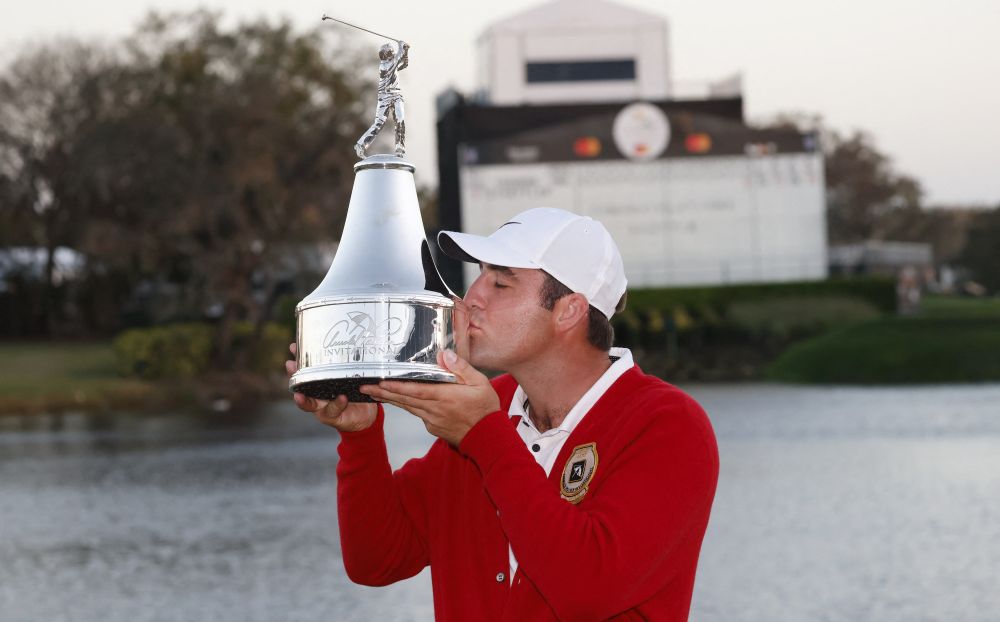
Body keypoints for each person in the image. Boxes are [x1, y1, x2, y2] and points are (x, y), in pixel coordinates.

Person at [287, 207, 719, 621]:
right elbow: (378, 560)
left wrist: (483, 435)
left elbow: (587, 589)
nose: (471, 298)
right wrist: (361, 436)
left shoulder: (668, 425)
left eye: (501, 283)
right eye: (480, 276)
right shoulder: (489, 407)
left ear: (569, 311)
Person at [355, 39, 409, 159]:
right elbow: (398, 59)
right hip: (384, 97)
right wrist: (402, 47)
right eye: (390, 52)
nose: (392, 53)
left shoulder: (393, 63)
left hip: (396, 95)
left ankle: (400, 147)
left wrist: (406, 52)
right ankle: (360, 145)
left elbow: (404, 64)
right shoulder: (385, 66)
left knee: (400, 119)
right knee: (379, 123)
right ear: (386, 54)